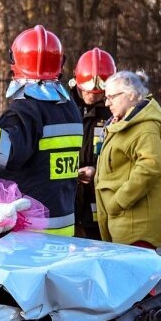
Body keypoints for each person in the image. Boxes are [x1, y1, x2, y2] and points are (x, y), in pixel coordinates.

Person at [0, 25, 83, 236]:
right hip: (63, 225)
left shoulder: (27, 108)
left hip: (29, 230)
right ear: (60, 62)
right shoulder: (70, 108)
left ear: (16, 61)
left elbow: (3, 151)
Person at [94, 70, 161, 250]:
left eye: (112, 97)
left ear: (131, 95)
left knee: (131, 277)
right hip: (125, 219)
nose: (107, 103)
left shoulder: (145, 126)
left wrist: (118, 202)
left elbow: (151, 167)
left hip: (135, 221)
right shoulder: (122, 122)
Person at [68, 48, 116, 239]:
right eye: (87, 91)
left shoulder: (114, 110)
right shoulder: (64, 104)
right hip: (69, 196)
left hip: (101, 197)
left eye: (98, 93)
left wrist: (98, 171)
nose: (93, 96)